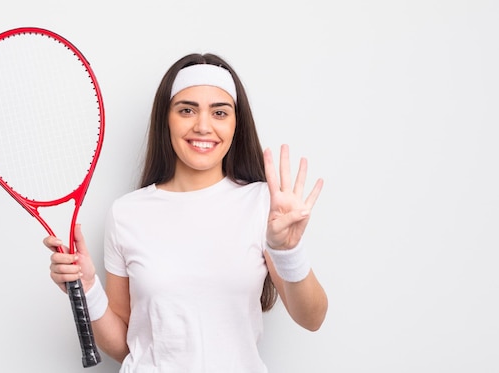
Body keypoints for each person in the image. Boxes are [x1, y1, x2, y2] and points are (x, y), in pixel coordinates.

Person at [44, 53, 328, 372]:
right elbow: (127, 347)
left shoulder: (263, 203)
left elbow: (312, 318)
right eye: (187, 110)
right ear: (167, 119)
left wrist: (289, 251)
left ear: (236, 124)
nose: (203, 126)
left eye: (220, 112)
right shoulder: (126, 213)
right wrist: (88, 290)